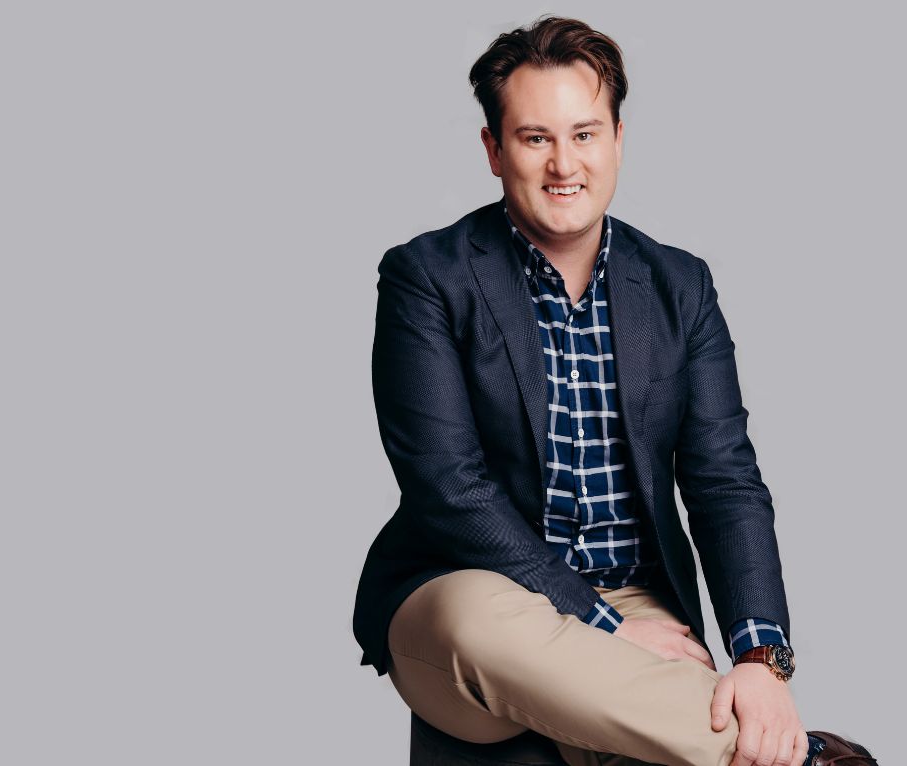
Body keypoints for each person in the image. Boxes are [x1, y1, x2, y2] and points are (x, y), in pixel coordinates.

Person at [350, 16, 876, 766]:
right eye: (535, 138)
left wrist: (762, 660)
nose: (564, 163)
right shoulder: (428, 277)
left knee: (649, 707)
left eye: (585, 135)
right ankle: (797, 757)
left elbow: (725, 479)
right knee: (478, 625)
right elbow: (449, 488)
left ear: (618, 141)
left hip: (636, 600)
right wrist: (601, 625)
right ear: (494, 151)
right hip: (470, 594)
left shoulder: (680, 285)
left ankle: (723, 736)